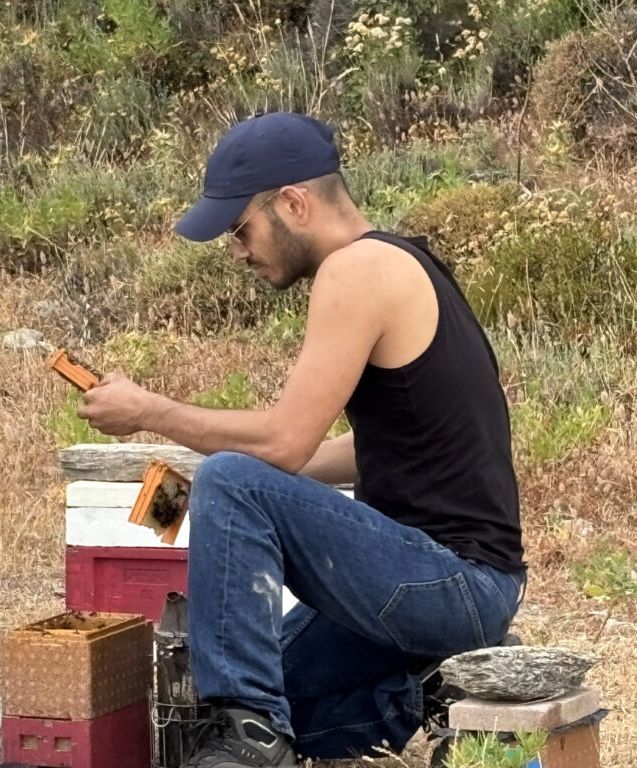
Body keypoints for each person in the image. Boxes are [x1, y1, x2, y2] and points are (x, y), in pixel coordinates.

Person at [79, 112, 526, 767]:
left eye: (241, 229)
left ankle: (250, 745)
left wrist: (150, 409)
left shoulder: (358, 269)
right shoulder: (406, 263)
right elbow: (359, 451)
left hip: (450, 581)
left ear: (292, 203)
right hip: (452, 589)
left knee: (236, 480)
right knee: (281, 688)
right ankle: (437, 690)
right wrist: (242, 501)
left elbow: (285, 442)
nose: (238, 251)